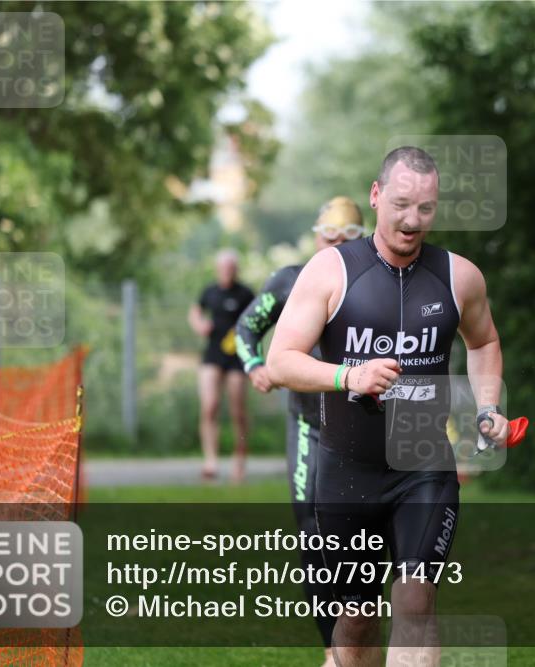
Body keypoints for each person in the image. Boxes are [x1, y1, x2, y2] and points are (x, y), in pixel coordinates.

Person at [266, 147, 509, 667]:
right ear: (376, 196)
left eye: (425, 208)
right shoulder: (330, 270)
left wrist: (487, 408)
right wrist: (347, 375)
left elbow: (484, 341)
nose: (412, 220)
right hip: (346, 472)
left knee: (415, 597)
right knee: (356, 621)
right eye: (401, 204)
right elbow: (281, 360)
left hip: (424, 467)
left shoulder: (458, 276)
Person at [234, 196, 364, 667]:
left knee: (362, 533)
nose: (336, 245)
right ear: (315, 237)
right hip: (310, 425)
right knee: (312, 532)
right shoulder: (290, 281)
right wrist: (254, 366)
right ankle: (332, 649)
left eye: (348, 237)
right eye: (328, 236)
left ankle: (360, 637)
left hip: (362, 429)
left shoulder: (375, 283)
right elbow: (246, 327)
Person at [187, 248, 255, 481]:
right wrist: (200, 324)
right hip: (212, 355)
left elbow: (258, 318)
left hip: (237, 357)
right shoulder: (209, 291)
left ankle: (239, 460)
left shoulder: (245, 293)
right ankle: (210, 462)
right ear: (218, 269)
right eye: (223, 268)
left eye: (231, 268)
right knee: (209, 406)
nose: (227, 271)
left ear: (236, 269)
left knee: (238, 411)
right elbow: (194, 313)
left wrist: (245, 334)